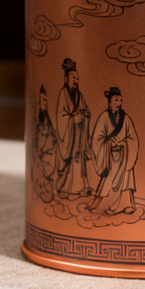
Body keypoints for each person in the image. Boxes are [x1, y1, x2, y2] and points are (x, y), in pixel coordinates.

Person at [90, 87, 139, 215]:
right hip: (110, 156)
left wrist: (124, 143)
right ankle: (109, 203)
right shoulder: (104, 117)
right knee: (110, 178)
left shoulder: (125, 118)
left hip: (124, 154)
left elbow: (132, 137)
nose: (119, 103)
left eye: (120, 100)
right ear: (110, 102)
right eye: (116, 100)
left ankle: (126, 204)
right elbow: (97, 137)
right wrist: (109, 142)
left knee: (127, 176)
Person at [55, 58, 92, 197]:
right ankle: (67, 188)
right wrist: (72, 119)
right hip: (69, 137)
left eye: (77, 78)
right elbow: (61, 117)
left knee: (80, 164)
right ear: (66, 78)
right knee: (70, 165)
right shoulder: (62, 94)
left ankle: (81, 186)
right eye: (73, 78)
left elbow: (86, 111)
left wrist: (84, 116)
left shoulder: (79, 95)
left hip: (79, 137)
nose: (76, 80)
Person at [32, 85, 60, 202]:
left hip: (52, 150)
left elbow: (50, 129)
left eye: (45, 100)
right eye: (41, 100)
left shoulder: (47, 115)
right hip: (44, 151)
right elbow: (40, 133)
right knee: (47, 172)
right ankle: (48, 191)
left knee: (55, 171)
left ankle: (55, 190)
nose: (43, 103)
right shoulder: (39, 117)